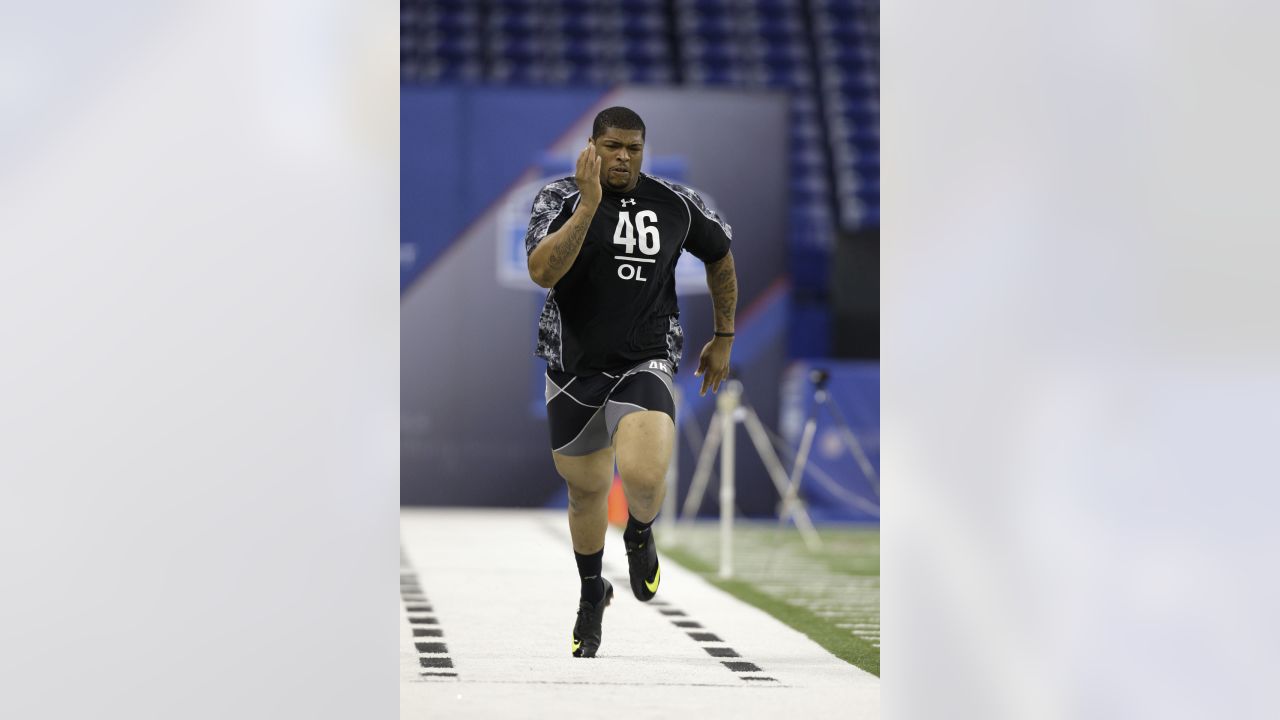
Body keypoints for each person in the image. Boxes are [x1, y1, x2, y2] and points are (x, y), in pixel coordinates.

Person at [524, 106, 738, 658]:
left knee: (644, 473)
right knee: (586, 490)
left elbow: (720, 254)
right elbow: (543, 272)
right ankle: (592, 592)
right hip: (573, 365)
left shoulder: (674, 203)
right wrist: (590, 206)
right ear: (593, 146)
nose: (623, 157)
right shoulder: (559, 198)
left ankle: (640, 531)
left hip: (646, 355)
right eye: (613, 146)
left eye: (633, 148)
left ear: (644, 150)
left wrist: (724, 335)